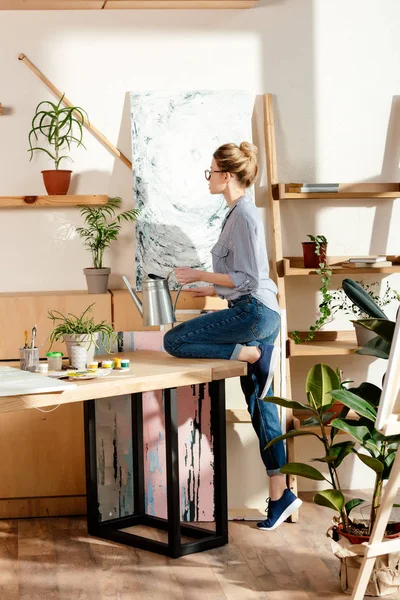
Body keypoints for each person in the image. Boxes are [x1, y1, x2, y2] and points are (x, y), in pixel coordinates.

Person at [163, 142, 302, 530]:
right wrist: (215, 290)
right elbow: (242, 280)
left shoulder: (243, 216)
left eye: (210, 172)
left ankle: (247, 353)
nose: (208, 178)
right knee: (262, 408)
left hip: (254, 314)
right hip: (262, 311)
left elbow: (249, 278)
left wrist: (201, 275)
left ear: (226, 176)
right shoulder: (240, 213)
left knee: (173, 342)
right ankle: (281, 496)